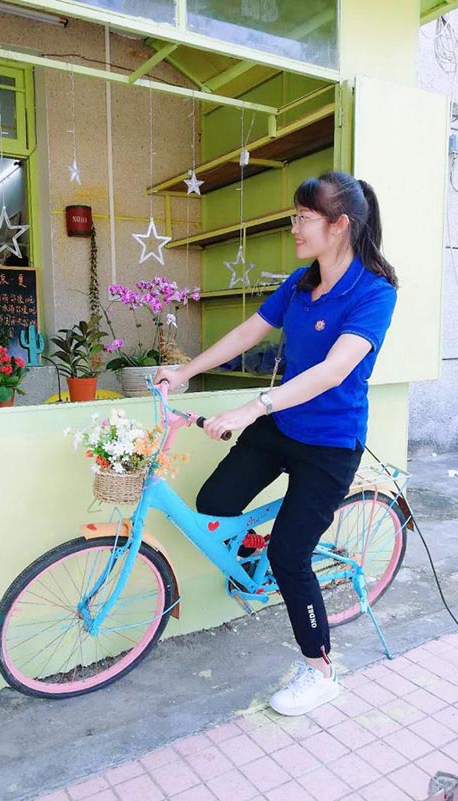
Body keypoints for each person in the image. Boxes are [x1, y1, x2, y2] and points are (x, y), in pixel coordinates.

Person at [155, 171, 398, 716]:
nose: (294, 227)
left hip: (330, 443)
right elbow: (249, 332)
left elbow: (333, 371)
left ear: (339, 225)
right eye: (295, 217)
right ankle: (256, 559)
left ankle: (320, 671)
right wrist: (185, 371)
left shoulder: (374, 293)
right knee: (215, 502)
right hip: (283, 427)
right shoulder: (301, 283)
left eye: (302, 218)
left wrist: (252, 407)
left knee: (291, 556)